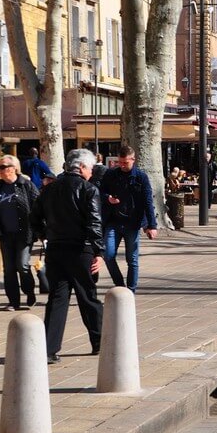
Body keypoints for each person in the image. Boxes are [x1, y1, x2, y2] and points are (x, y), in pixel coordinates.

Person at [30, 148, 104, 363]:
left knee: (57, 298)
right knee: (87, 296)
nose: (91, 172)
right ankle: (99, 341)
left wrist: (46, 235)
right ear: (81, 167)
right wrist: (98, 252)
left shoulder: (49, 190)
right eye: (90, 168)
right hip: (81, 249)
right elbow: (95, 222)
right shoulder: (88, 189)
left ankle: (49, 349)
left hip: (55, 248)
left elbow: (34, 218)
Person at [0, 154, 39, 310]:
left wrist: (42, 230)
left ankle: (29, 292)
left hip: (24, 233)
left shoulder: (26, 185)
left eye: (3, 167)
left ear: (14, 168)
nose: (0, 170)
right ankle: (13, 301)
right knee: (9, 269)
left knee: (22, 265)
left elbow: (38, 207)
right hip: (6, 234)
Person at [99, 146, 158, 293]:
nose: (123, 166)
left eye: (126, 163)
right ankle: (120, 286)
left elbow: (148, 202)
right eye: (120, 162)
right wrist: (108, 198)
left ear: (133, 160)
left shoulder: (141, 177)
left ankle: (131, 291)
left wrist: (152, 225)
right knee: (108, 255)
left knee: (132, 260)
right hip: (113, 221)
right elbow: (99, 192)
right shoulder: (111, 174)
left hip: (133, 222)